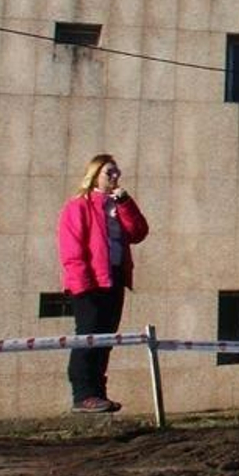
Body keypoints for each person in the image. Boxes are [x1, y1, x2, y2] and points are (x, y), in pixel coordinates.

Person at [58, 154, 149, 414]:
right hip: (89, 282)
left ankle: (98, 392)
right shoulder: (79, 206)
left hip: (114, 279)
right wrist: (83, 283)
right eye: (109, 172)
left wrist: (126, 203)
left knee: (105, 338)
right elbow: (72, 249)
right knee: (88, 335)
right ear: (95, 174)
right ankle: (83, 394)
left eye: (117, 172)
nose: (115, 176)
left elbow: (138, 232)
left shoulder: (117, 205)